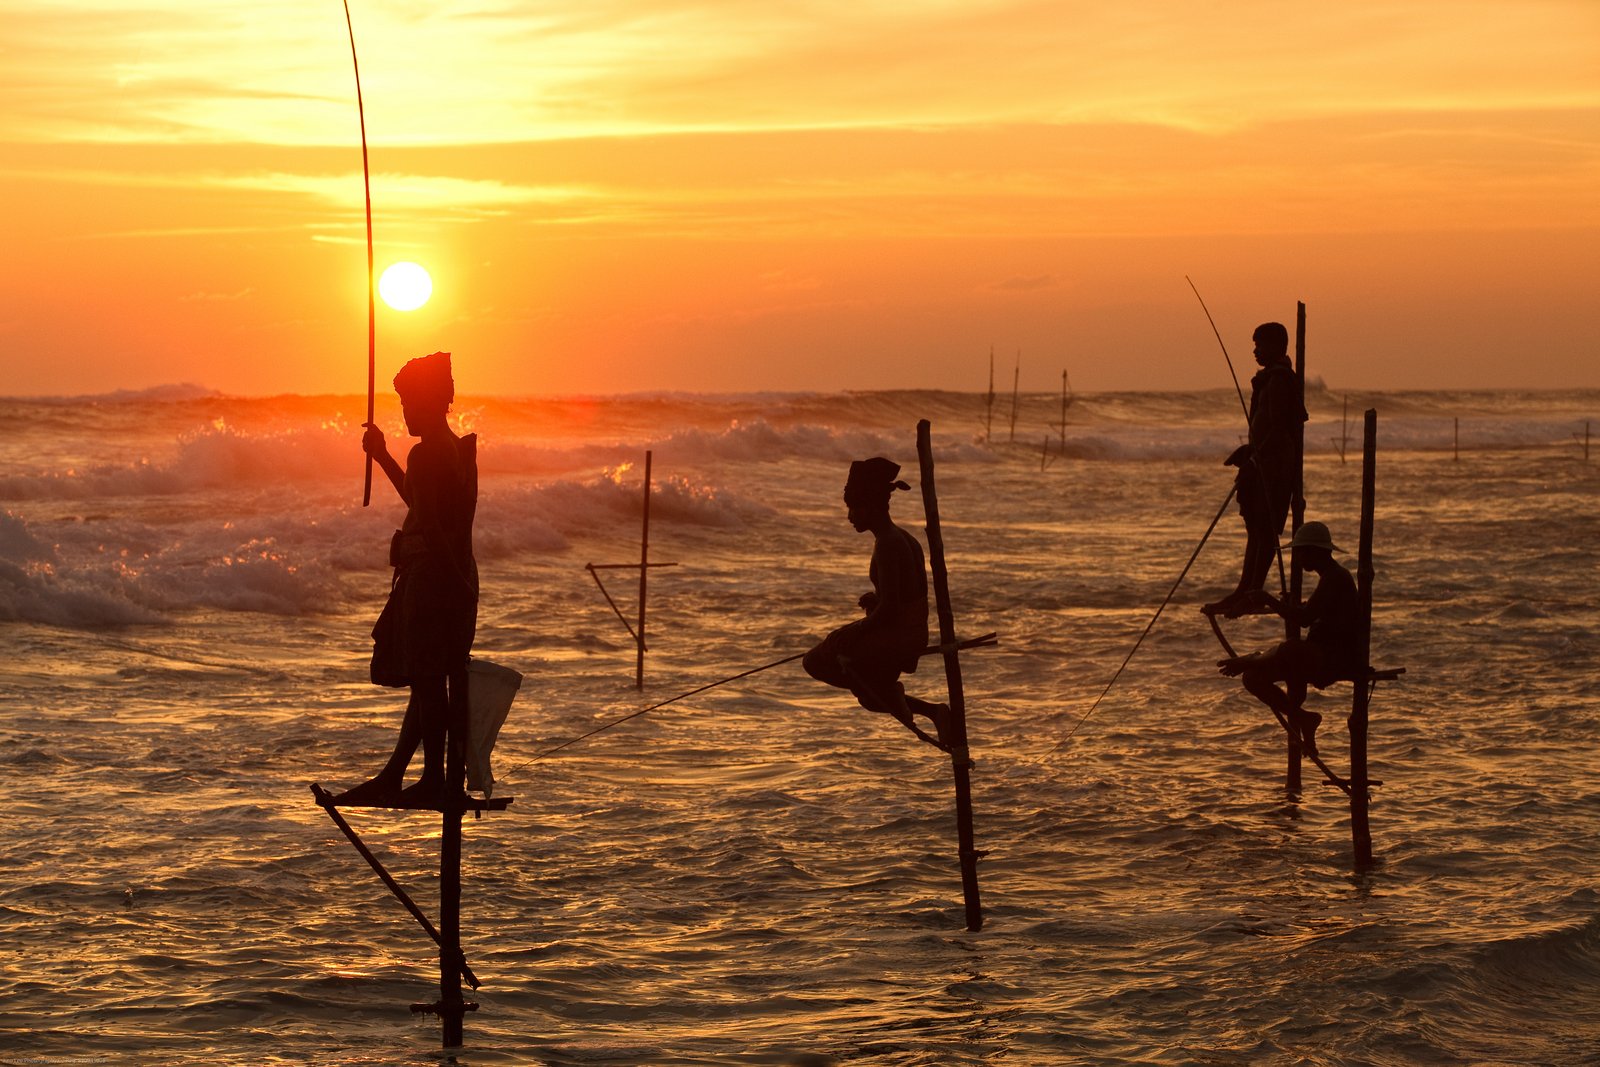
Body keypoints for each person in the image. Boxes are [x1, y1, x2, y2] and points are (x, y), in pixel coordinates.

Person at [334, 351, 479, 805]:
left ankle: (430, 777)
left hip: (434, 580)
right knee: (429, 679)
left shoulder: (426, 453)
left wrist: (450, 582)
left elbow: (432, 528)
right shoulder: (459, 449)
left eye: (409, 402)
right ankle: (403, 773)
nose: (404, 412)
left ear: (431, 401)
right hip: (456, 577)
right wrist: (382, 457)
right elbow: (422, 505)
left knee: (429, 681)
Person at [803, 457, 950, 750]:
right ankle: (932, 711)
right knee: (870, 696)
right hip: (911, 632)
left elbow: (892, 609)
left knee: (815, 661)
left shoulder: (887, 544)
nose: (850, 516)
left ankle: (895, 698)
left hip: (898, 638)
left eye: (855, 508)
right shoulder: (904, 538)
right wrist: (875, 599)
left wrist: (854, 630)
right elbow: (905, 596)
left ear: (872, 506)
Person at [1216, 521, 1361, 756]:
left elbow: (1304, 619)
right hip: (1317, 654)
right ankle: (1303, 718)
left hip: (1334, 659)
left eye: (1302, 552)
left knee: (1290, 649)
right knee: (1252, 679)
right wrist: (1288, 605)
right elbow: (1314, 613)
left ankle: (1252, 658)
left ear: (1316, 552)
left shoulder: (1336, 577)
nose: (1299, 558)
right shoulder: (1329, 578)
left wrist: (1269, 600)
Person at [1204, 322, 1306, 618]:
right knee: (1254, 530)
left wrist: (1254, 461)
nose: (1255, 351)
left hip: (1273, 469)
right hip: (1261, 463)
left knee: (1265, 531)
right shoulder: (1269, 380)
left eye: (1260, 345)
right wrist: (1248, 452)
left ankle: (1254, 592)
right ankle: (1244, 589)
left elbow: (1279, 431)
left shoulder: (1280, 381)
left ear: (1277, 346)